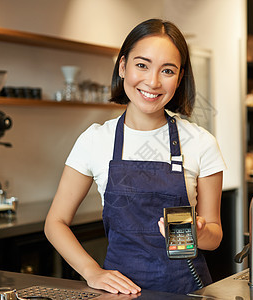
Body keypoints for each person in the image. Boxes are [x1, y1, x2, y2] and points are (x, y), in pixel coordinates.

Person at [44, 18, 226, 295]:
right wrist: (92, 272)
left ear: (179, 78)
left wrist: (200, 232)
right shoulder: (95, 140)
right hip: (120, 293)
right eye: (142, 65)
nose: (152, 82)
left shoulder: (201, 142)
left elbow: (214, 236)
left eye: (167, 70)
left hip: (186, 291)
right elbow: (55, 222)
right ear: (123, 66)